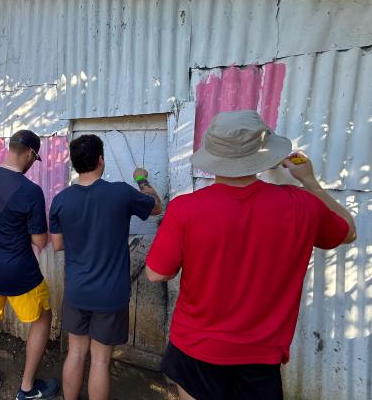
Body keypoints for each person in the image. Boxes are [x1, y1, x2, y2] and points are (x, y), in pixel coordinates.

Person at [145, 110, 356, 400]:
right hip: (261, 356)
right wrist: (310, 181)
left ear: (214, 155)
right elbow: (348, 232)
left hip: (196, 348)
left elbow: (157, 273)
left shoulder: (186, 209)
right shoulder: (302, 205)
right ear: (262, 155)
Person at [49, 134, 162, 400]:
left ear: (76, 164)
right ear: (100, 160)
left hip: (77, 291)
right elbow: (156, 207)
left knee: (75, 353)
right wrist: (142, 179)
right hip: (110, 294)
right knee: (100, 361)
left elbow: (57, 245)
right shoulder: (121, 192)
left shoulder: (60, 201)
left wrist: (83, 241)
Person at [0, 130, 58, 400]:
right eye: (34, 158)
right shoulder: (30, 191)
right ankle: (27, 388)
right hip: (21, 273)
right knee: (42, 320)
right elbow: (40, 240)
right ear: (29, 153)